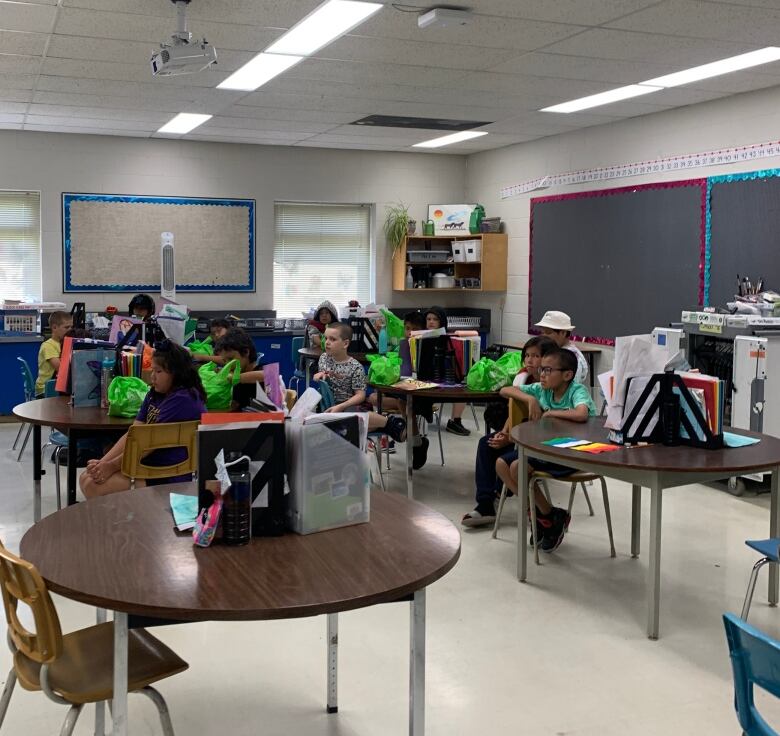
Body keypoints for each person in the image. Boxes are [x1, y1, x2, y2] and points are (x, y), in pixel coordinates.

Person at [79, 341, 206, 498]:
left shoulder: (184, 398)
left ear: (176, 373)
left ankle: (125, 521)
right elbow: (134, 434)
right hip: (146, 466)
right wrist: (102, 464)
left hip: (168, 473)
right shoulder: (155, 393)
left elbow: (147, 445)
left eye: (158, 372)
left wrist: (111, 466)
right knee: (86, 477)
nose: (152, 376)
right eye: (152, 370)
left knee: (93, 486)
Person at [461, 336, 557, 529]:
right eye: (527, 356)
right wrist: (505, 432)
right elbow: (511, 400)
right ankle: (486, 503)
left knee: (507, 457)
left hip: (539, 443)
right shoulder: (524, 378)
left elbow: (541, 430)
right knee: (486, 443)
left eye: (536, 356)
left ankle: (508, 498)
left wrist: (510, 439)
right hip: (519, 436)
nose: (529, 360)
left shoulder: (553, 387)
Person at [507, 347, 597, 552]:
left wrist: (551, 413)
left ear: (567, 375)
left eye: (548, 370)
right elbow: (506, 390)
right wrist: (530, 399)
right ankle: (549, 516)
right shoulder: (542, 389)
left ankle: (545, 516)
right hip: (551, 450)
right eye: (541, 370)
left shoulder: (576, 390)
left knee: (516, 467)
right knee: (512, 466)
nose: (542, 375)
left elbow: (582, 414)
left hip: (575, 453)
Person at [313, 322, 407, 439]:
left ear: (345, 343)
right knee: (335, 424)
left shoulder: (355, 367)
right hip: (330, 407)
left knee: (349, 419)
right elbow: (321, 377)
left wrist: (341, 406)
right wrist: (319, 374)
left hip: (350, 405)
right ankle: (387, 425)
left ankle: (389, 423)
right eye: (326, 338)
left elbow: (360, 396)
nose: (327, 342)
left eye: (332, 339)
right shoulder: (324, 358)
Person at [425, 306, 470, 436]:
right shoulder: (419, 338)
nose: (431, 322)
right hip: (425, 377)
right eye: (428, 319)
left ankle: (455, 421)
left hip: (447, 377)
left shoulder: (450, 340)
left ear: (442, 322)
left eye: (435, 319)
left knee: (463, 386)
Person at [213, 328, 266, 410]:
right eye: (224, 361)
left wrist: (236, 378)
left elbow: (269, 375)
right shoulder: (235, 378)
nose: (227, 364)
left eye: (230, 359)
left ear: (245, 352)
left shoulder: (263, 369)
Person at [534, 310, 588, 386]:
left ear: (563, 333)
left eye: (548, 333)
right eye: (542, 332)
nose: (543, 336)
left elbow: (568, 388)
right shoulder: (555, 352)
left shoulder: (571, 357)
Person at [34, 310, 72, 395]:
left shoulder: (63, 344)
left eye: (71, 327)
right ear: (54, 327)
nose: (70, 330)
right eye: (66, 327)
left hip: (55, 386)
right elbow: (61, 369)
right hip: (46, 389)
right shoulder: (48, 346)